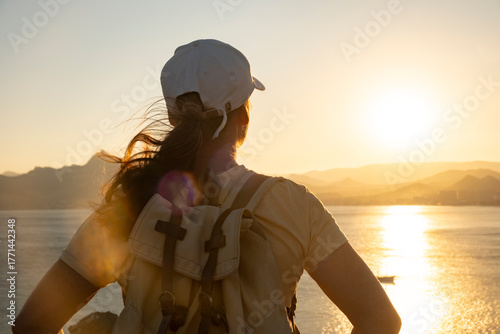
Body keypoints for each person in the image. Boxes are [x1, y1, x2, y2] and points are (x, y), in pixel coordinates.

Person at [14, 39, 401, 334]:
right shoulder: (293, 205)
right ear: (243, 119)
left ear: (173, 116)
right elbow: (381, 320)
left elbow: (32, 324)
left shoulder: (131, 204)